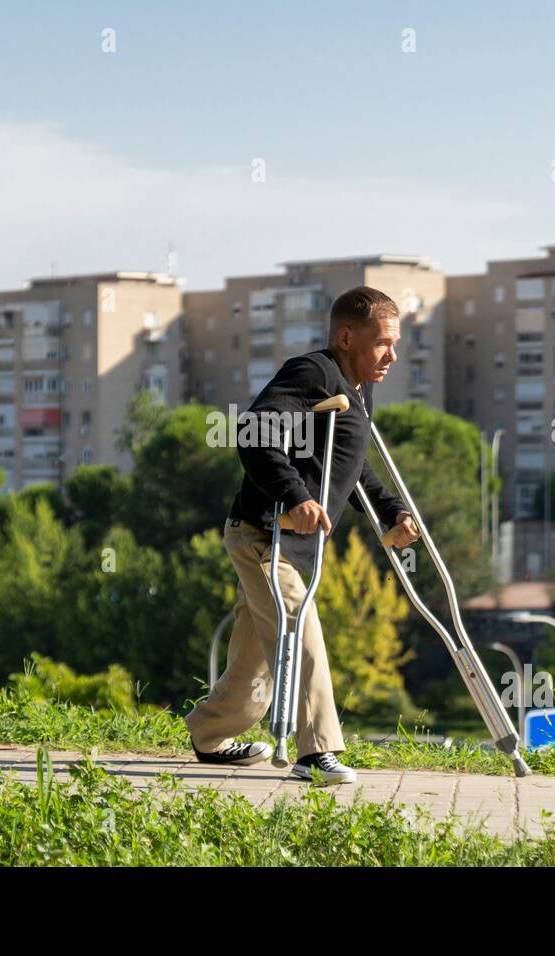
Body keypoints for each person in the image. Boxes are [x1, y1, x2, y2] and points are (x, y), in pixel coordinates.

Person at [184, 286, 421, 785]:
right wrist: (295, 496)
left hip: (298, 544)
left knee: (254, 662)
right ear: (345, 337)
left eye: (395, 344)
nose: (392, 356)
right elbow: (253, 430)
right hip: (263, 534)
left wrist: (391, 511)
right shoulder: (313, 372)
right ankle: (316, 753)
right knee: (300, 633)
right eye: (382, 343)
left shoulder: (358, 388)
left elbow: (351, 467)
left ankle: (208, 733)